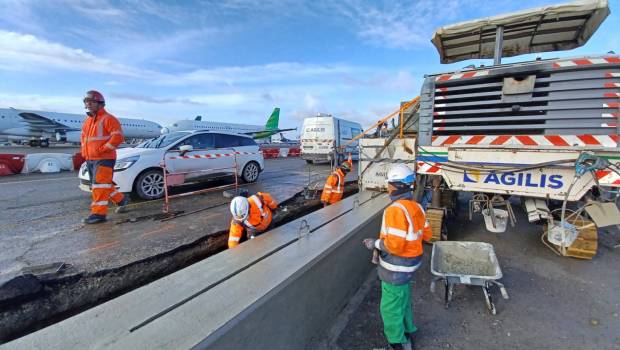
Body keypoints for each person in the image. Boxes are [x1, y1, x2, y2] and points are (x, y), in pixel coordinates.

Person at [362, 164, 432, 350]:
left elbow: (394, 245)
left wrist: (375, 244)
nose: (387, 187)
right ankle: (407, 331)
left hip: (395, 269)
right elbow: (427, 235)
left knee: (390, 307)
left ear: (396, 186)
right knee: (403, 299)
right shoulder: (416, 207)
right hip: (411, 266)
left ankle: (396, 342)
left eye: (389, 184)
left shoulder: (394, 210)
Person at [81, 90, 129, 224]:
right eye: (86, 102)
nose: (88, 104)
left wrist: (102, 150)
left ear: (100, 104)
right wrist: (84, 153)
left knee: (99, 186)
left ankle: (98, 214)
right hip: (91, 158)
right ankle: (121, 199)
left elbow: (118, 137)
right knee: (100, 185)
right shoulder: (88, 121)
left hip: (104, 158)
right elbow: (84, 139)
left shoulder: (109, 119)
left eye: (92, 102)